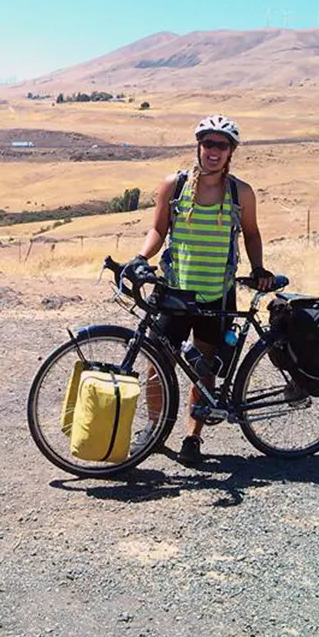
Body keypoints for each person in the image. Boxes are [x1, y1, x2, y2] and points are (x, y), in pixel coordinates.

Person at [125, 114, 273, 466]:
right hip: (174, 291)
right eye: (208, 143)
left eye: (221, 145)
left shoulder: (241, 193)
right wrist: (141, 257)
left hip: (216, 295)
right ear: (199, 146)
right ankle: (154, 429)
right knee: (155, 365)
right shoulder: (174, 185)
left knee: (203, 370)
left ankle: (193, 436)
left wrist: (258, 268)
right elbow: (158, 229)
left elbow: (251, 233)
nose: (213, 151)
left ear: (231, 151)